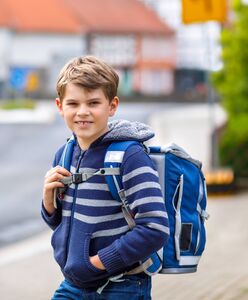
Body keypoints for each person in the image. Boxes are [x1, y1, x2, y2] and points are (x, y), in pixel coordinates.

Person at [41, 56, 169, 299]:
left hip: (122, 285)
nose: (82, 112)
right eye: (73, 104)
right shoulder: (65, 154)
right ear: (60, 106)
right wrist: (49, 202)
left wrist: (97, 264)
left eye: (93, 103)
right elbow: (60, 223)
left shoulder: (129, 156)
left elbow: (155, 227)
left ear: (112, 106)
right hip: (75, 284)